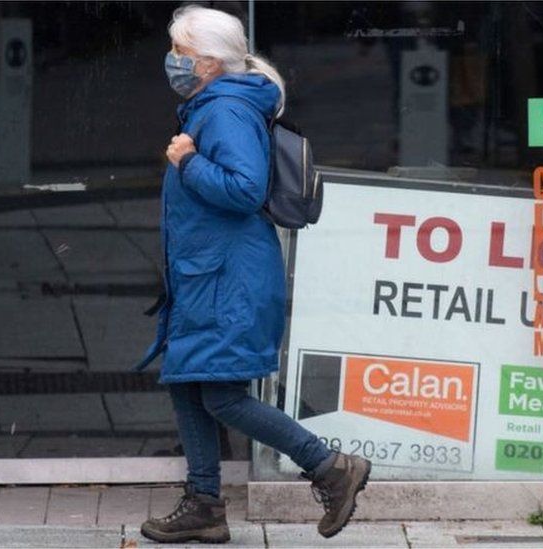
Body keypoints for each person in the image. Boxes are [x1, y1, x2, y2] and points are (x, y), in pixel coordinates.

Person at [134, 5, 370, 543]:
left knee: (221, 394)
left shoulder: (225, 112)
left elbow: (244, 189)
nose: (173, 62)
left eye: (182, 53)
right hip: (209, 274)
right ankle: (204, 505)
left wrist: (189, 161)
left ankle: (332, 467)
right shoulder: (212, 104)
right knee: (188, 385)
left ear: (211, 63)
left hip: (227, 279)